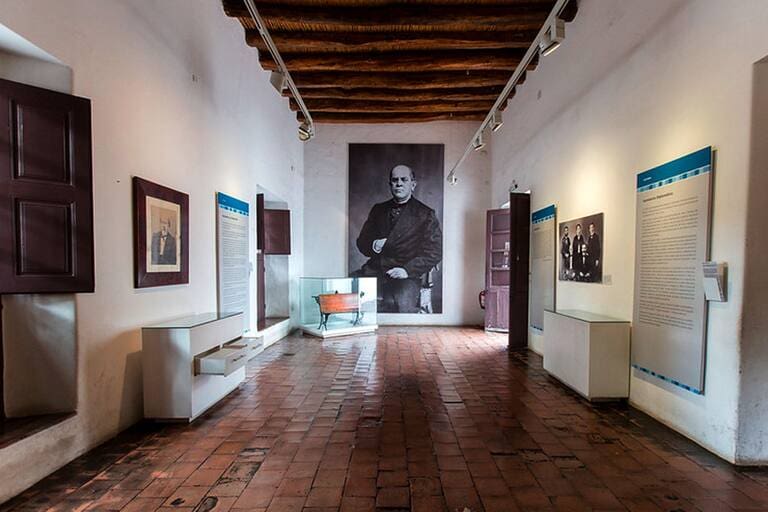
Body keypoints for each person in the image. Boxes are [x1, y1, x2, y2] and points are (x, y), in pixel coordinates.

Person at [353, 164, 442, 313]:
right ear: (390, 185)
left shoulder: (425, 214)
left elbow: (435, 251)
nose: (399, 183)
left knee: (402, 307)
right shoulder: (378, 209)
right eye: (395, 180)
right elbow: (362, 242)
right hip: (375, 271)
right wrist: (374, 244)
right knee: (347, 293)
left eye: (404, 179)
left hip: (406, 276)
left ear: (413, 184)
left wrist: (406, 270)